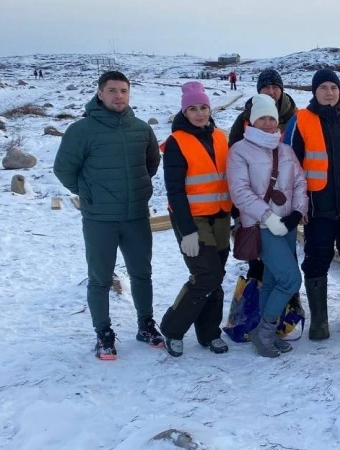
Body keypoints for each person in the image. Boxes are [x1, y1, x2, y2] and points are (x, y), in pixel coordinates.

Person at [54, 71, 163, 360]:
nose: (119, 96)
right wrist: (89, 192)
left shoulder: (141, 129)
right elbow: (64, 169)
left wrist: (138, 188)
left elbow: (151, 162)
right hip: (99, 218)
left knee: (142, 274)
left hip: (136, 216)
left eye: (124, 91)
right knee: (100, 279)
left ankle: (146, 325)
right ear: (100, 93)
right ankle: (103, 333)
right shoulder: (82, 131)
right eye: (112, 90)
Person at [283, 69, 340, 340]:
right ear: (314, 91)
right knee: (316, 260)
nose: (329, 93)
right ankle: (319, 319)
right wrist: (297, 207)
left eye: (333, 87)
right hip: (316, 208)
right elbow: (290, 167)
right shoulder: (300, 121)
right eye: (323, 87)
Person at [228, 94, 308, 357]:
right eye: (261, 117)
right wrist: (269, 218)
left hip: (286, 224)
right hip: (262, 227)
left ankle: (267, 335)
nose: (266, 123)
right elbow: (240, 192)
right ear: (251, 120)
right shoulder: (239, 150)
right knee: (291, 279)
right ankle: (263, 333)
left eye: (271, 117)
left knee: (273, 280)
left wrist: (297, 213)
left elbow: (299, 182)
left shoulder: (285, 150)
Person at [158, 82, 232, 357]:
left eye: (203, 107)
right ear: (184, 112)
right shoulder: (177, 142)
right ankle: (172, 328)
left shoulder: (220, 137)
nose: (200, 113)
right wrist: (187, 230)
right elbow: (174, 190)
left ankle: (209, 332)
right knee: (206, 275)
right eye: (193, 109)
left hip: (221, 216)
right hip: (192, 218)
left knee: (217, 276)